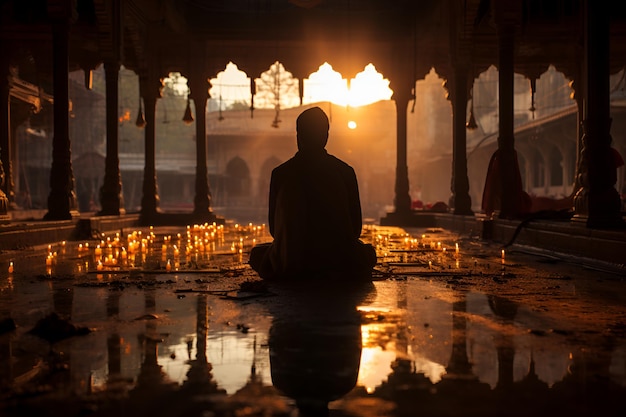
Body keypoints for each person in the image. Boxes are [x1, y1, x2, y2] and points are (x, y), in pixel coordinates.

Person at [249, 106, 376, 280]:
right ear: (326, 136)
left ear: (298, 136)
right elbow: (355, 230)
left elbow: (275, 231)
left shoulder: (280, 173)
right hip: (338, 261)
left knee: (257, 254)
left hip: (294, 264)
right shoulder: (345, 171)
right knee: (368, 252)